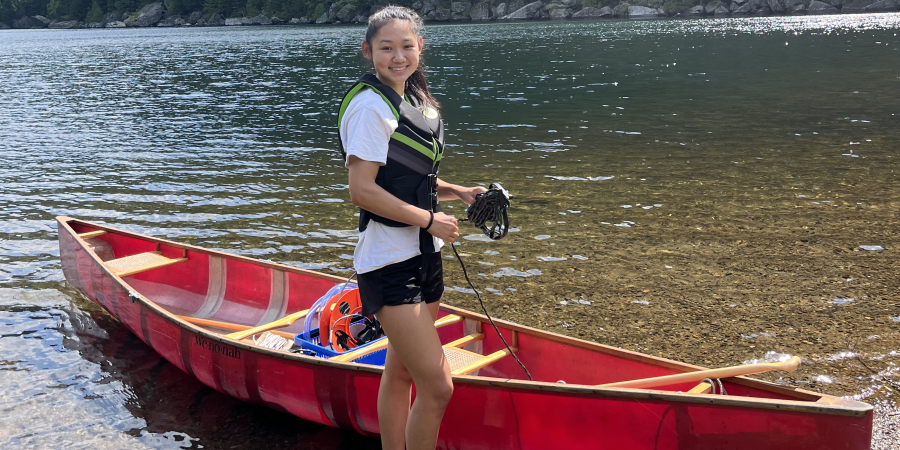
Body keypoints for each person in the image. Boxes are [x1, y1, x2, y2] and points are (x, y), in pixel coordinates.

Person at [336, 6, 486, 450]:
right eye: (386, 48)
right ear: (368, 51)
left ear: (421, 47)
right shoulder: (369, 107)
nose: (397, 56)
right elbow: (362, 191)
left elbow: (405, 175)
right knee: (438, 387)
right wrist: (430, 219)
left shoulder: (413, 100)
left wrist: (457, 191)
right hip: (389, 263)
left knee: (400, 373)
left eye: (406, 46)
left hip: (424, 255)